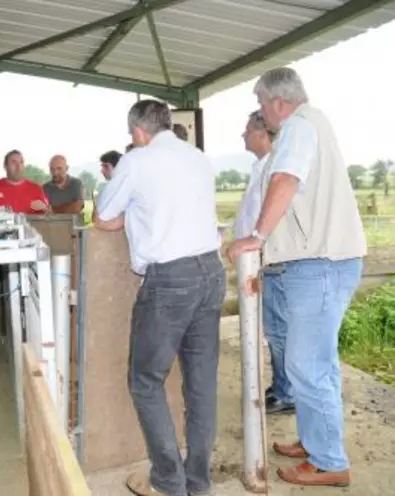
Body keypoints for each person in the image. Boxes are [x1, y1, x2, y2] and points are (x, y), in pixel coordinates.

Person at [227, 67, 366, 488]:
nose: (261, 114)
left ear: (279, 103)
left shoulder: (299, 128)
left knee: (308, 365)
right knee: (312, 363)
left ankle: (328, 462)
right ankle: (314, 440)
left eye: (261, 105)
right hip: (315, 262)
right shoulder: (309, 126)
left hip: (319, 263)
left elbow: (286, 180)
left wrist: (257, 236)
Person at [94, 99, 225, 496]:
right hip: (212, 272)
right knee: (201, 384)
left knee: (146, 381)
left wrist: (128, 214)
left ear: (137, 132)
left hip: (170, 280)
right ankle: (198, 482)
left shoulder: (137, 160)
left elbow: (102, 214)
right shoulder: (198, 157)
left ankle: (169, 480)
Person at [234, 111, 294, 416]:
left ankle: (287, 392)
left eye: (246, 130)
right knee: (272, 327)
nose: (242, 135)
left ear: (261, 134)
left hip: (269, 258)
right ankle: (283, 384)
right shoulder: (261, 167)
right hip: (257, 259)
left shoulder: (273, 168)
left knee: (278, 327)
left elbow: (267, 216)